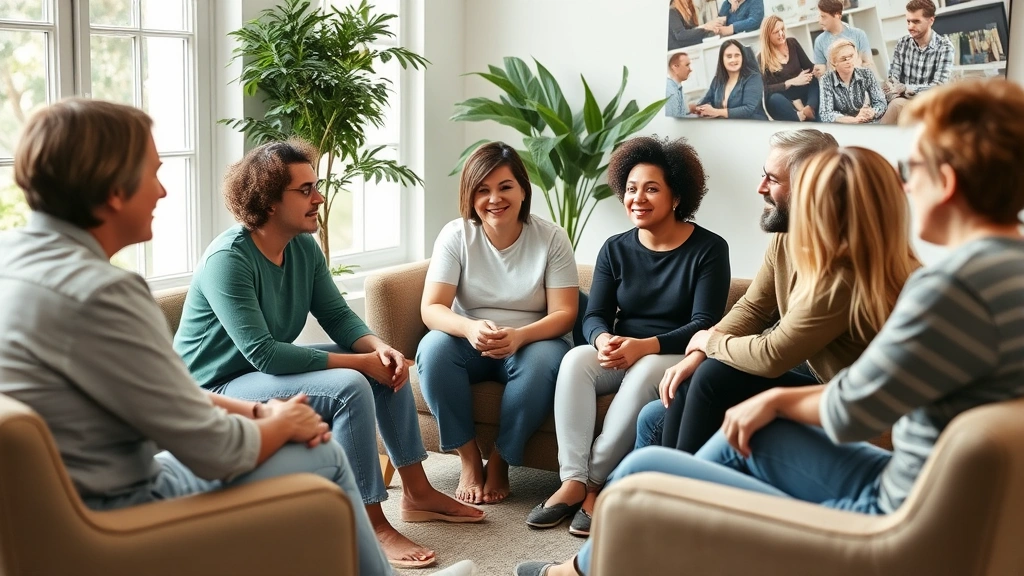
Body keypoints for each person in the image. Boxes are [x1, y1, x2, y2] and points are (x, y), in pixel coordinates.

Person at [516, 78, 1024, 576]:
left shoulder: (947, 290)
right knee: (673, 428)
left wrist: (770, 396)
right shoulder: (1005, 272)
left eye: (913, 169)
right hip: (932, 493)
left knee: (642, 473)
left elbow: (851, 410)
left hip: (898, 508)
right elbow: (760, 311)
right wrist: (706, 354)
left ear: (949, 182)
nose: (906, 186)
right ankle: (650, 525)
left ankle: (616, 548)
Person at [0, 98, 479, 576]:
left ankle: (415, 494)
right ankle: (377, 541)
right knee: (326, 451)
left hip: (67, 497)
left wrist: (274, 406)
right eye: (152, 173)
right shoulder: (107, 293)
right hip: (120, 498)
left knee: (375, 372)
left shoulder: (16, 264)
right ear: (111, 190)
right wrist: (280, 426)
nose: (164, 192)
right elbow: (215, 448)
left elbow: (165, 398)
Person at [173, 138, 485, 570]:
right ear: (266, 200)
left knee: (381, 367)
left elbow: (338, 316)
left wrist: (380, 349)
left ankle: (417, 492)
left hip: (263, 370)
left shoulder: (302, 246)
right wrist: (360, 363)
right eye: (304, 190)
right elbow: (263, 353)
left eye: (315, 186)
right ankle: (371, 522)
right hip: (218, 384)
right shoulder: (229, 260)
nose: (318, 197)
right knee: (351, 383)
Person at [629, 127, 906, 455]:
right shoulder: (786, 236)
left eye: (772, 179)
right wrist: (698, 354)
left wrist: (712, 343)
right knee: (664, 405)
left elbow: (774, 355)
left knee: (714, 377)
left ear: (807, 186)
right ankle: (653, 493)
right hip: (812, 374)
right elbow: (754, 307)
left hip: (846, 402)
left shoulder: (843, 273)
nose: (760, 187)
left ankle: (676, 491)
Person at [527, 137, 730, 537]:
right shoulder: (615, 248)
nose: (638, 198)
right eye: (632, 188)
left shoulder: (709, 249)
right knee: (574, 360)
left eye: (652, 188)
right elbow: (596, 315)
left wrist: (646, 346)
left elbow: (705, 322)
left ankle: (596, 483)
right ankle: (572, 480)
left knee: (643, 373)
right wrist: (602, 339)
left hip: (672, 353)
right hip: (622, 349)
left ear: (676, 197)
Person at [417, 142, 578, 506]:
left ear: (523, 190)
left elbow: (565, 313)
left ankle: (502, 461)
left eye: (505, 187)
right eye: (482, 190)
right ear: (470, 196)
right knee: (433, 348)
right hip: (469, 338)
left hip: (534, 339)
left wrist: (520, 336)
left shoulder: (551, 238)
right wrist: (470, 328)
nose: (494, 199)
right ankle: (470, 460)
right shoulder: (456, 235)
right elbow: (433, 308)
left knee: (542, 364)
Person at [880, 0, 954, 125]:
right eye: (908, 21)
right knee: (894, 104)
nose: (910, 27)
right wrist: (895, 89)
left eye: (916, 21)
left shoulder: (945, 47)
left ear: (931, 20)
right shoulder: (902, 44)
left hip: (930, 105)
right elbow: (894, 80)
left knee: (897, 106)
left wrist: (907, 88)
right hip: (903, 101)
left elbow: (939, 87)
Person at [758, 15, 819, 122]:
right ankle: (798, 116)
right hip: (783, 97)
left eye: (782, 29)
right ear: (767, 35)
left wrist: (818, 69)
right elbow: (765, 89)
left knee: (813, 79)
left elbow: (809, 67)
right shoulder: (761, 58)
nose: (781, 34)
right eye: (776, 32)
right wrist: (791, 82)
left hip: (800, 90)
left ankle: (809, 108)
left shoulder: (792, 43)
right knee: (774, 99)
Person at [694, 40, 767, 120]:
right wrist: (699, 109)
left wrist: (716, 112)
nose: (733, 60)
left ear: (742, 57)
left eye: (737, 55)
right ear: (722, 59)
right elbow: (706, 101)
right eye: (729, 56)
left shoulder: (753, 78)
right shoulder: (717, 80)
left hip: (753, 126)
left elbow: (748, 109)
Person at [819, 39, 887, 124]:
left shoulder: (866, 73)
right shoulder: (826, 80)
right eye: (843, 59)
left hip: (867, 122)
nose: (849, 61)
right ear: (834, 63)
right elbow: (825, 113)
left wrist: (872, 112)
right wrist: (853, 120)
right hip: (843, 127)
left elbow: (880, 102)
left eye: (851, 56)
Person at [812, 0, 874, 78]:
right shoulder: (819, 41)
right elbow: (822, 73)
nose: (820, 21)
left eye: (823, 16)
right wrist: (818, 73)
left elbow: (868, 64)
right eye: (819, 16)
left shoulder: (859, 35)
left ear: (837, 15)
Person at [666, 51, 695, 117]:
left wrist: (690, 108)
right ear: (675, 67)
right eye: (687, 65)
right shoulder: (670, 91)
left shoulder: (677, 87)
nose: (690, 69)